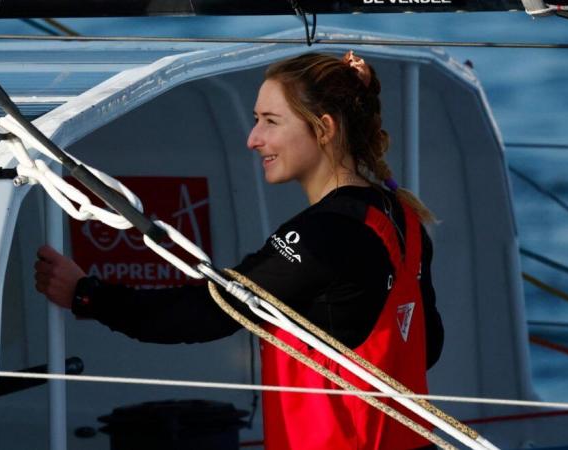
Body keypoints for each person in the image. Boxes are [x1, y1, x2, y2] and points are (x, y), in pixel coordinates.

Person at [34, 51, 444, 450]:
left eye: (270, 121)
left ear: (323, 128)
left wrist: (87, 295)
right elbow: (426, 346)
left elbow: (207, 313)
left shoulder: (326, 233)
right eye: (255, 121)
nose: (253, 139)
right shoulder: (403, 217)